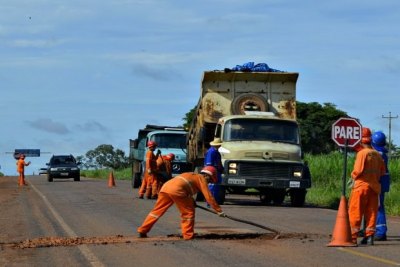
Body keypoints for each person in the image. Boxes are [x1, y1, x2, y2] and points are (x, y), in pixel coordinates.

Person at [137, 166, 225, 240]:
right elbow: (209, 197)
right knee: (188, 213)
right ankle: (188, 235)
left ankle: (143, 230)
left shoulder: (190, 175)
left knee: (156, 212)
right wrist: (219, 210)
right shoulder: (201, 178)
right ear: (207, 175)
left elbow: (186, 187)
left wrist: (191, 201)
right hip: (177, 190)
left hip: (165, 188)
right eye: (210, 180)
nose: (209, 182)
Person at [348, 127, 385, 245]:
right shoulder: (378, 155)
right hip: (374, 188)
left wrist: (352, 176)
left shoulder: (362, 154)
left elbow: (357, 171)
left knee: (356, 212)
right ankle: (369, 237)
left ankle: (352, 237)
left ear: (361, 141)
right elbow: (382, 172)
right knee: (371, 213)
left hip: (361, 187)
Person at [371, 131, 390, 241]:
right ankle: (372, 229)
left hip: (378, 182)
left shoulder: (376, 154)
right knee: (375, 206)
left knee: (378, 207)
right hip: (382, 182)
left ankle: (381, 232)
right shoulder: (382, 152)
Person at [204, 137, 224, 204]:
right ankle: (210, 201)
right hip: (212, 171)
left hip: (216, 171)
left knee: (216, 186)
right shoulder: (211, 152)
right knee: (212, 186)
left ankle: (213, 200)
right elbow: (209, 164)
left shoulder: (215, 151)